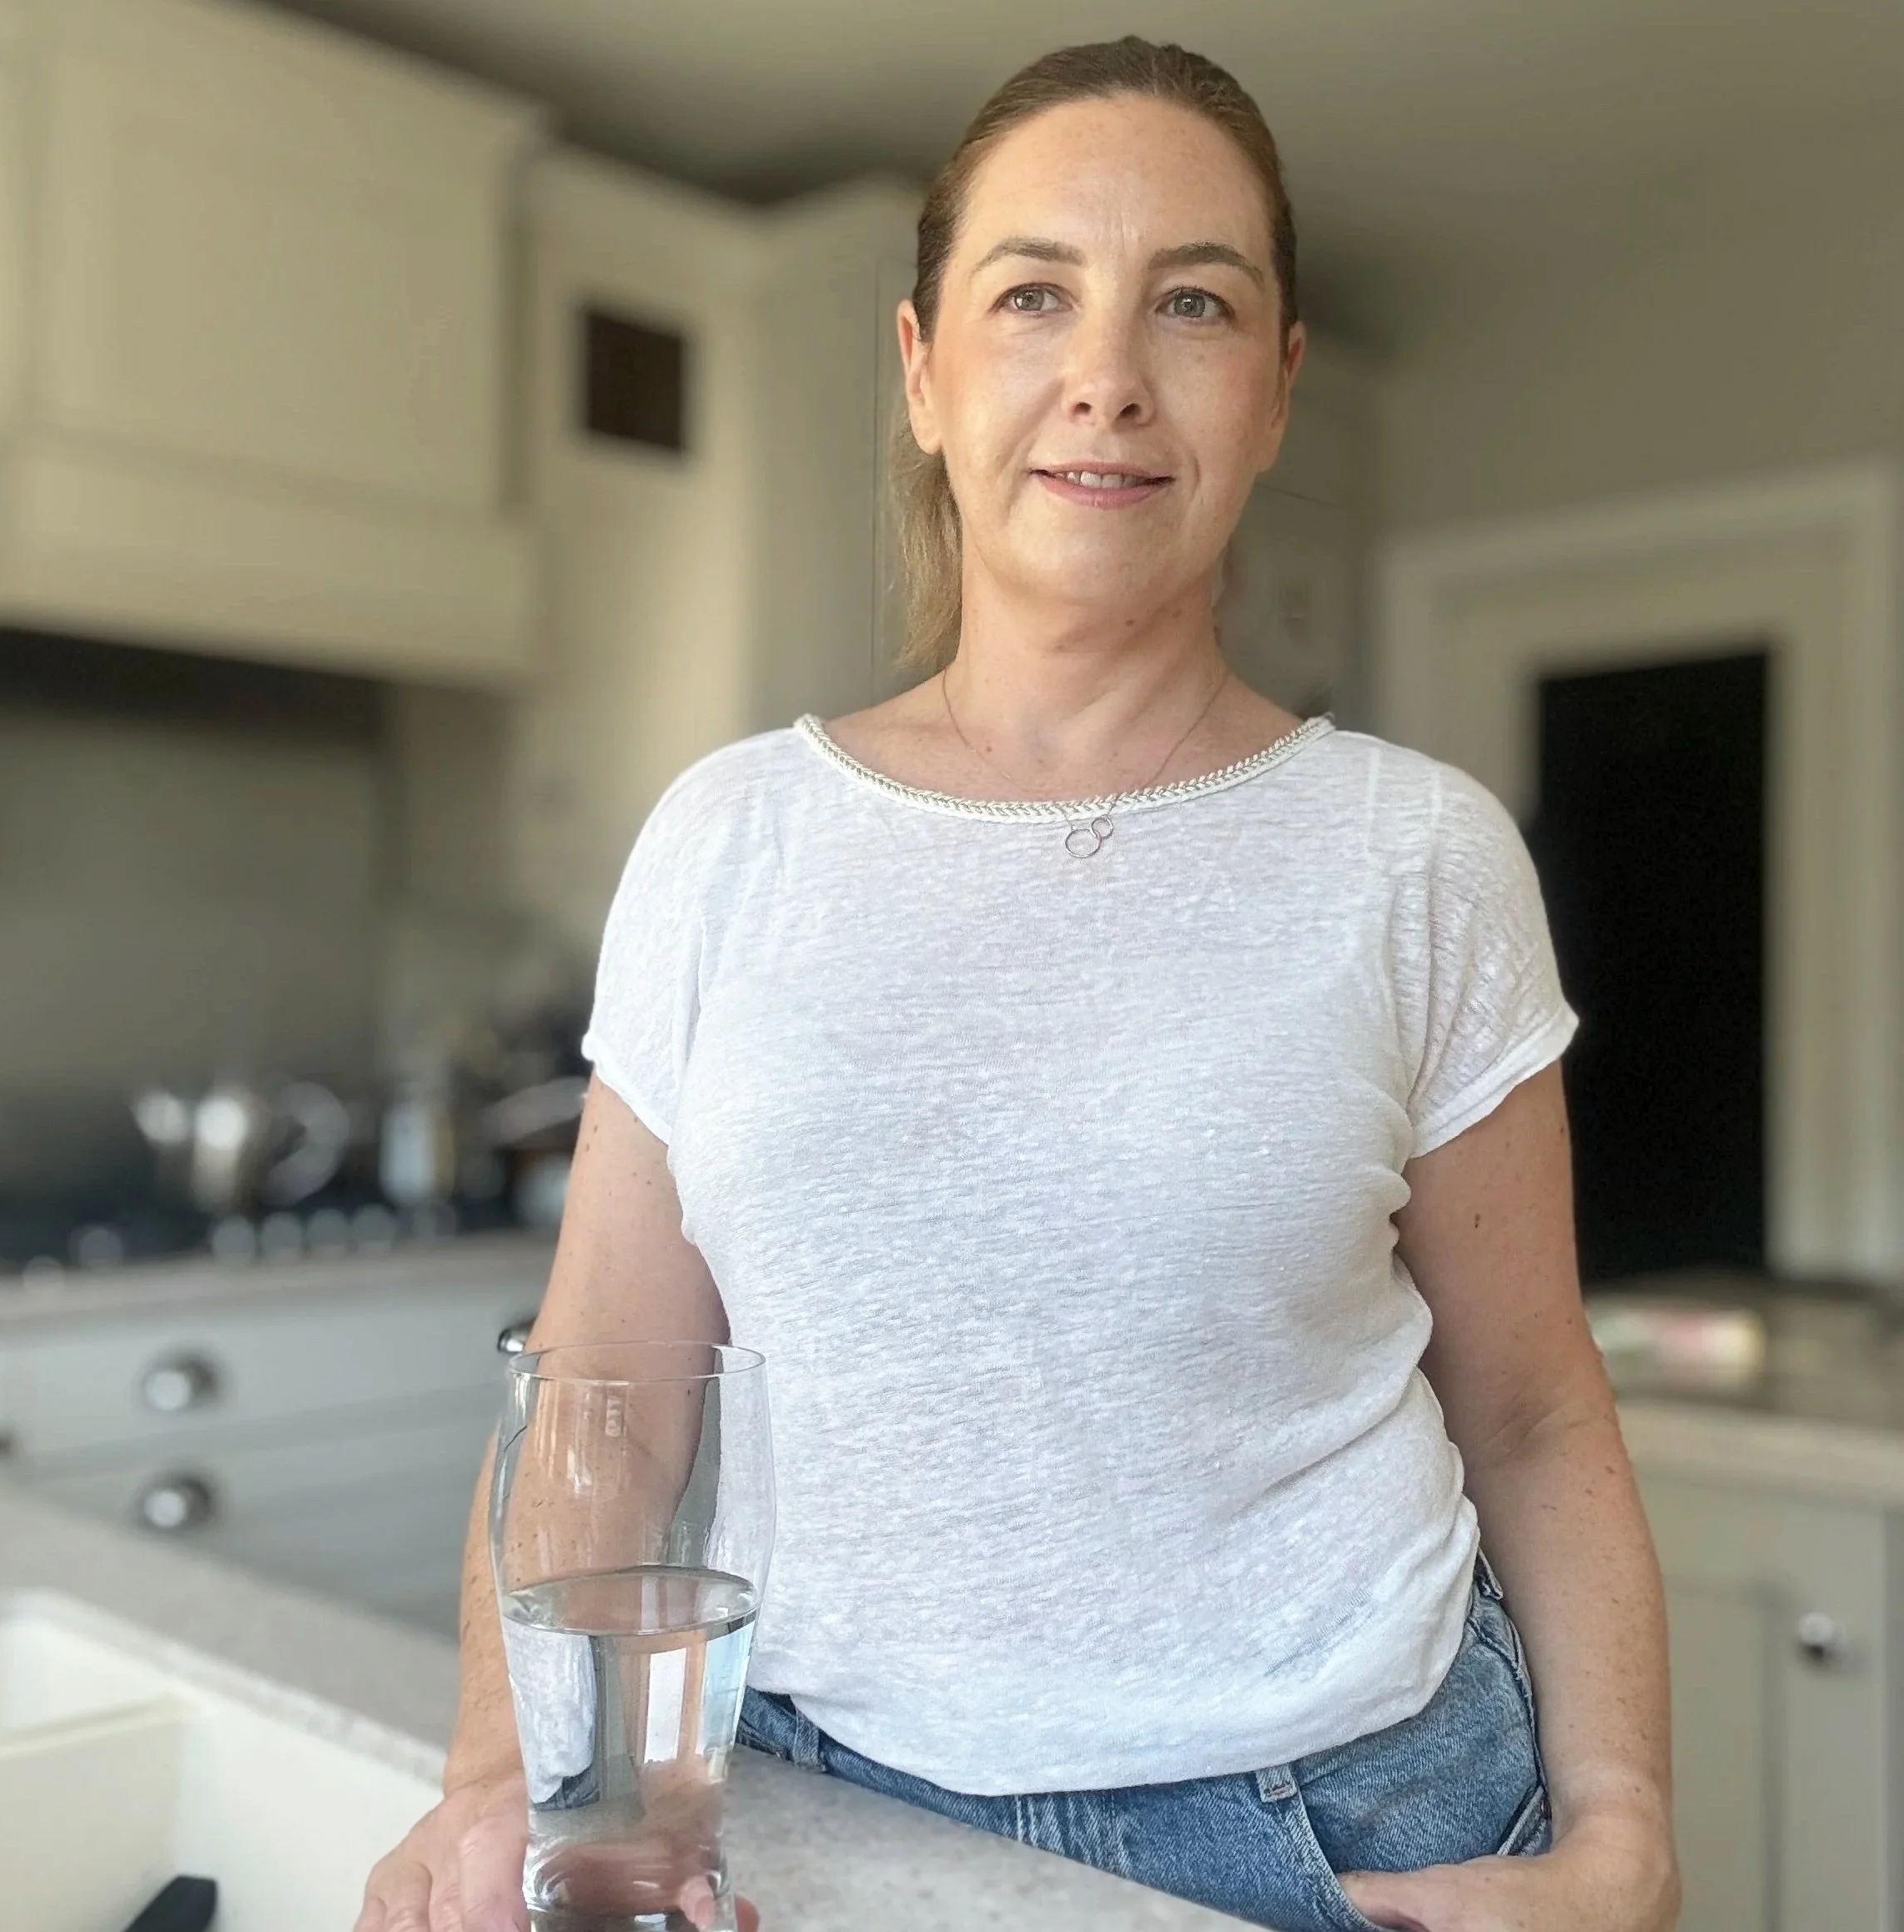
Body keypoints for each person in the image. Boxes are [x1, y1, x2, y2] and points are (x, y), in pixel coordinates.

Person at [359, 36, 1679, 1932]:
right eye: (1034, 292)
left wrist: (1622, 1835)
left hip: (1360, 1831)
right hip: (820, 1814)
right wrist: (510, 1778)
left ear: (1280, 387)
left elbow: (1538, 1409)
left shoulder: (1421, 856)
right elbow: (607, 1398)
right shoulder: (729, 842)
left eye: (1196, 303)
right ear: (921, 368)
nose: (1109, 379)